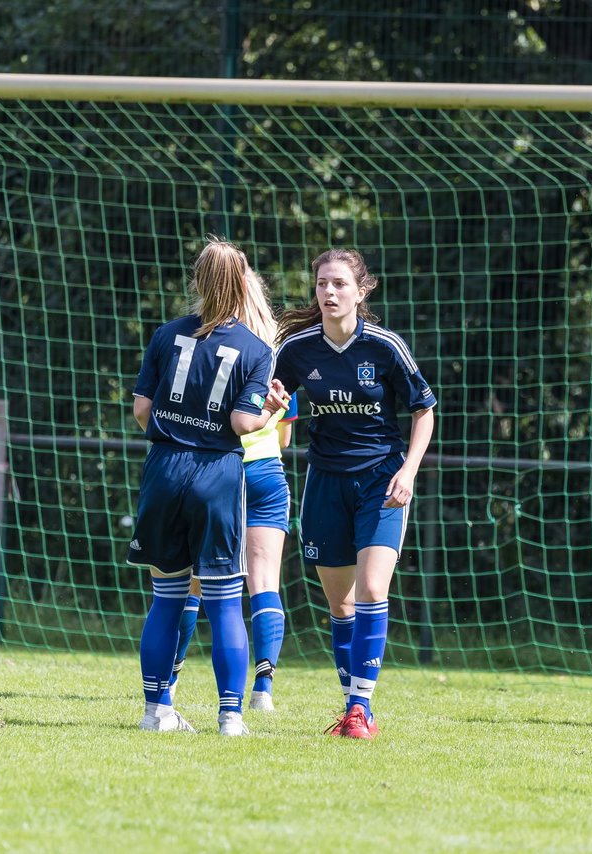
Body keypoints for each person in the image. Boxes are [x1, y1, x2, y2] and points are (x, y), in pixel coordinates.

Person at [127, 238, 289, 737]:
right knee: (223, 602)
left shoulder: (165, 335)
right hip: (217, 475)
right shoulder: (256, 349)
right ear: (244, 285)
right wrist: (273, 409)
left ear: (197, 281)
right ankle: (231, 716)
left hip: (163, 470)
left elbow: (140, 411)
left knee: (166, 598)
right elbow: (243, 421)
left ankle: (156, 712)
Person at [272, 248, 436, 740]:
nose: (329, 292)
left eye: (340, 284)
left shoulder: (385, 347)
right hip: (324, 482)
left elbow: (424, 410)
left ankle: (361, 709)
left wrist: (408, 470)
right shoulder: (297, 350)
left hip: (381, 482)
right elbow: (271, 401)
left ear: (361, 291)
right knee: (340, 606)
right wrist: (276, 404)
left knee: (372, 591)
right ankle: (352, 704)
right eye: (322, 283)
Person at [166, 268, 300, 712]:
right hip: (266, 473)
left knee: (195, 584)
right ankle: (263, 690)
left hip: (219, 470)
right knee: (264, 581)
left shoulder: (206, 343)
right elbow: (283, 438)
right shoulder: (276, 355)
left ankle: (168, 681)